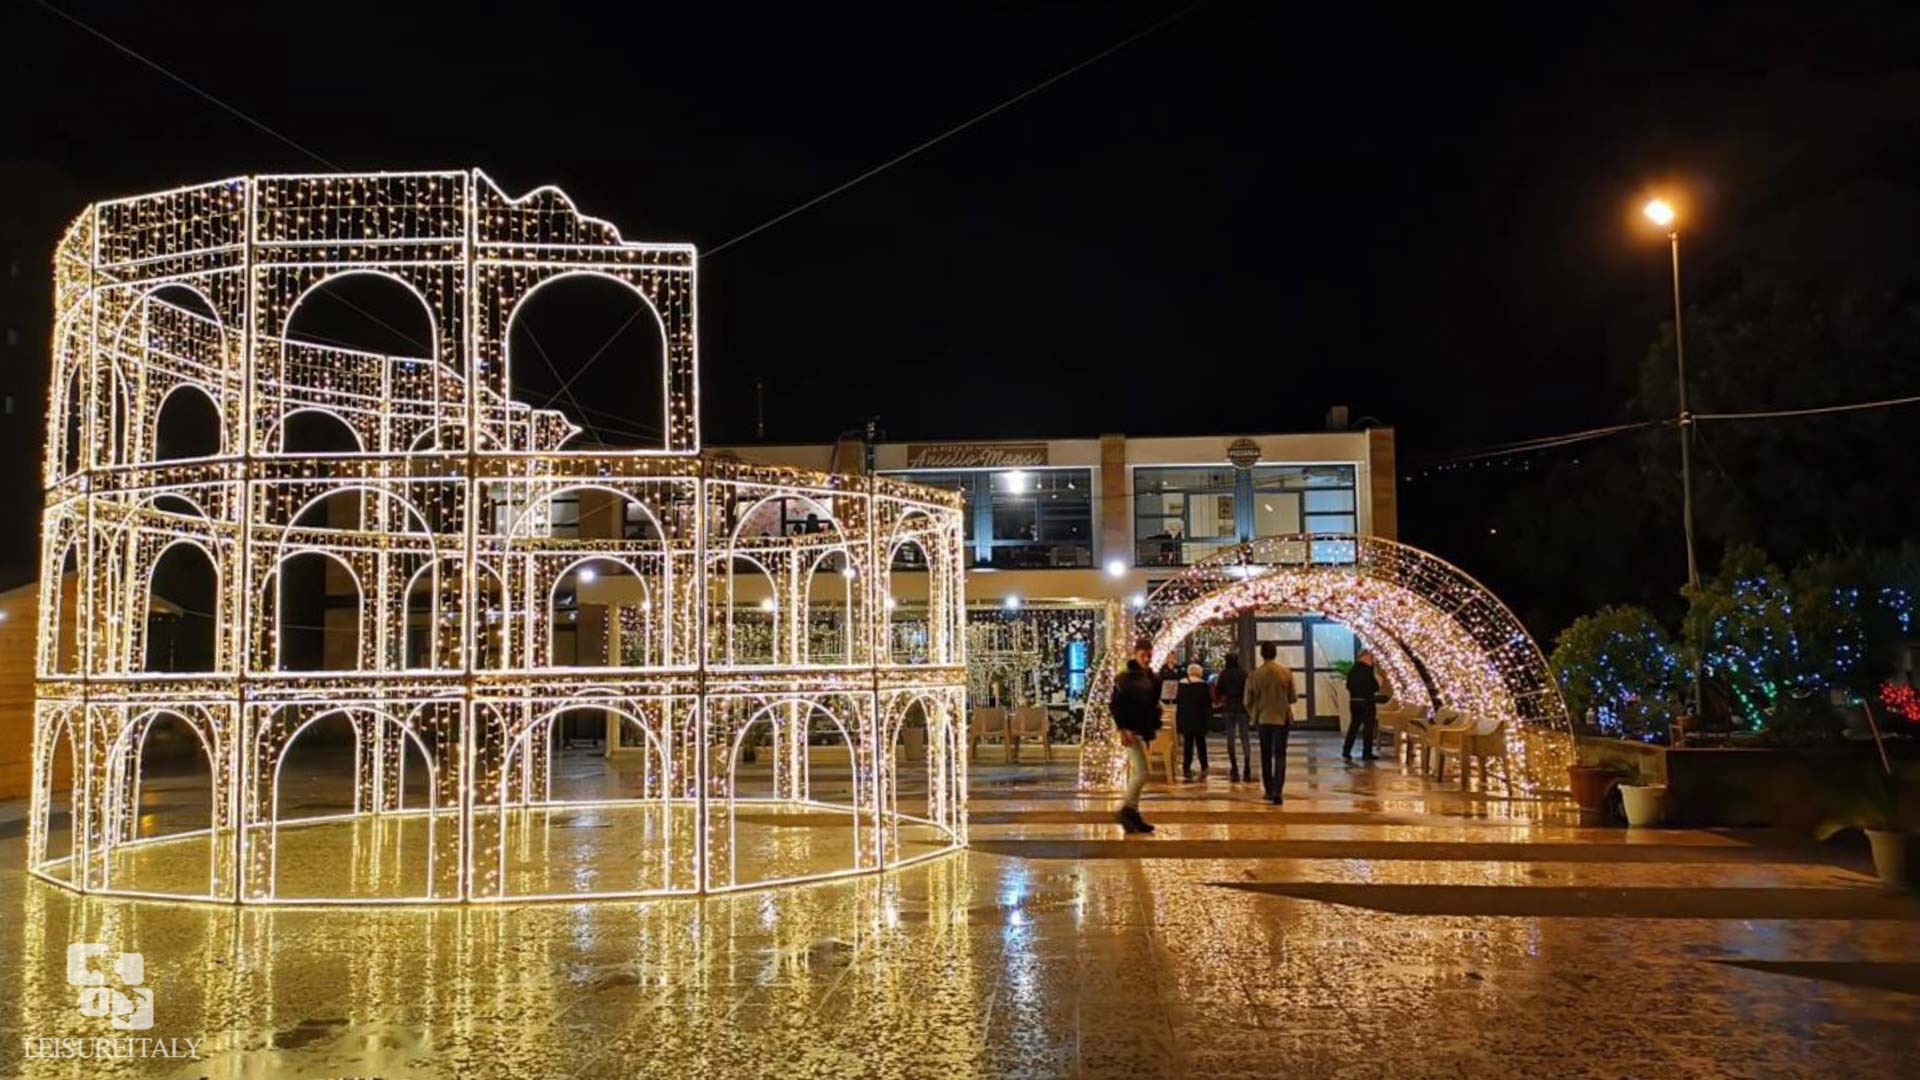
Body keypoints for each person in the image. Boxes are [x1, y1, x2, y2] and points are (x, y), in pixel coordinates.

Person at [1107, 638, 1163, 833]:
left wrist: (1156, 714)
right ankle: (1126, 809)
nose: (1147, 659)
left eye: (1149, 655)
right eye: (1143, 655)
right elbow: (1115, 705)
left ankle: (1133, 814)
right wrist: (1123, 728)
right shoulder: (1125, 679)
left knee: (1139, 772)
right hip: (1131, 731)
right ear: (1135, 654)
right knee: (1142, 771)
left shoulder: (1152, 679)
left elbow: (1152, 703)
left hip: (1143, 730)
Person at [1243, 641, 1297, 804]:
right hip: (1282, 718)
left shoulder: (1255, 675)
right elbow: (1292, 698)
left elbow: (1247, 700)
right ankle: (1278, 791)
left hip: (1263, 719)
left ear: (1262, 654)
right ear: (1275, 653)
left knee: (1265, 754)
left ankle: (1268, 789)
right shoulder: (1286, 673)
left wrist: (1254, 714)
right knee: (1280, 755)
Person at [1213, 653, 1251, 782]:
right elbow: (1248, 690)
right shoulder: (1243, 674)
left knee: (1230, 737)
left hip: (1229, 707)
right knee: (1245, 737)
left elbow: (1218, 691)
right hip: (1242, 707)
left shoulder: (1224, 674)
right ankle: (1247, 766)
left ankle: (1234, 767)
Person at [1342, 649, 1385, 762]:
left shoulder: (1352, 670)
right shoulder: (1367, 671)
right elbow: (1374, 687)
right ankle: (1367, 753)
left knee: (1354, 727)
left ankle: (1346, 751)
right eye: (1371, 658)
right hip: (1367, 702)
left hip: (1354, 701)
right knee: (1368, 728)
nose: (1373, 660)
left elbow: (1348, 686)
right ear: (1365, 657)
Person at [1175, 663, 1212, 780]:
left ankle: (1186, 767)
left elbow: (1178, 700)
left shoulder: (1181, 684)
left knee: (1188, 743)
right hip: (1199, 718)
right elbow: (1207, 703)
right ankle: (1204, 766)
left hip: (1186, 718)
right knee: (1201, 743)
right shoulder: (1203, 685)